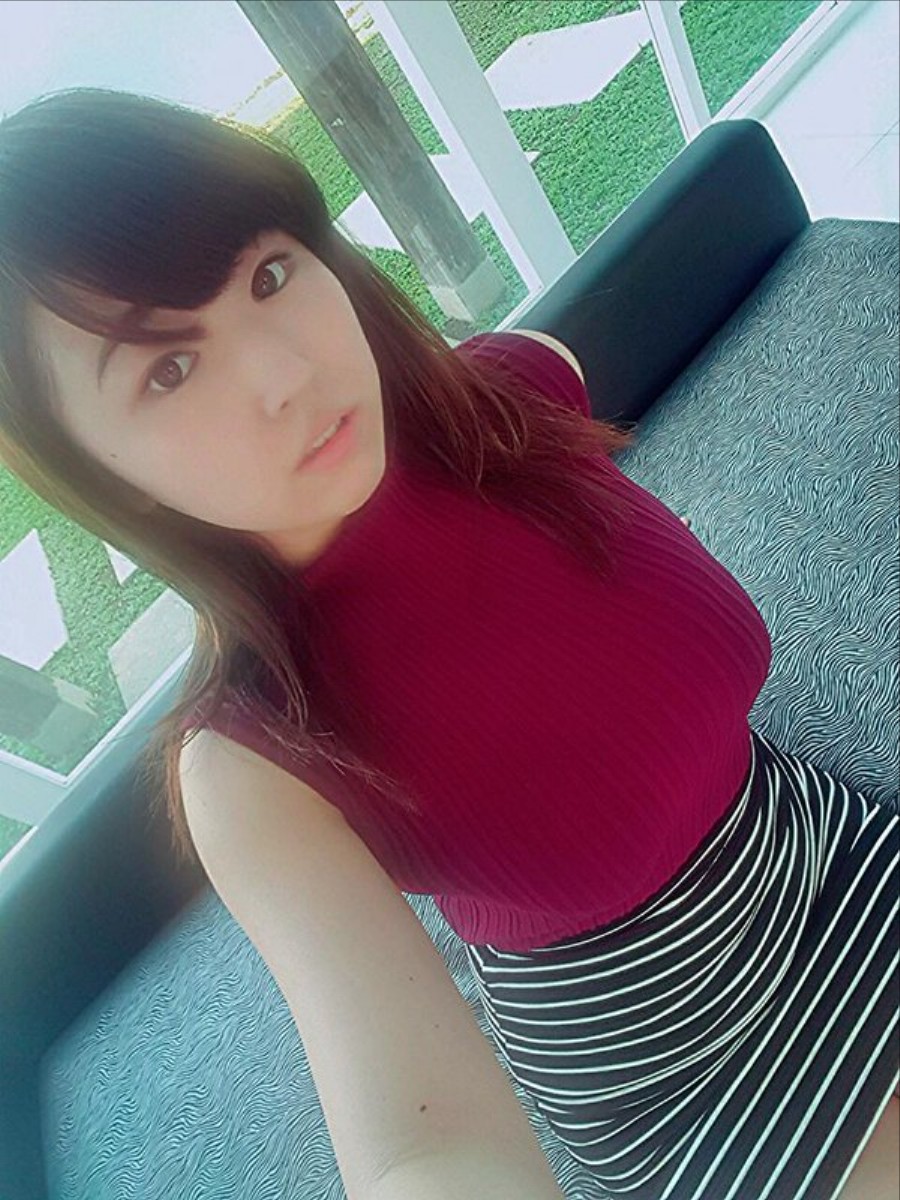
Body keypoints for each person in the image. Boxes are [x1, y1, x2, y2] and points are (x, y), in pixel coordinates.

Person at [0, 88, 896, 1200]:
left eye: (269, 274)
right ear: (103, 476)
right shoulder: (254, 760)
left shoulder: (508, 403)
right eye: (166, 369)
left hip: (816, 839)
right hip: (670, 1052)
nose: (286, 377)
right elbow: (420, 1150)